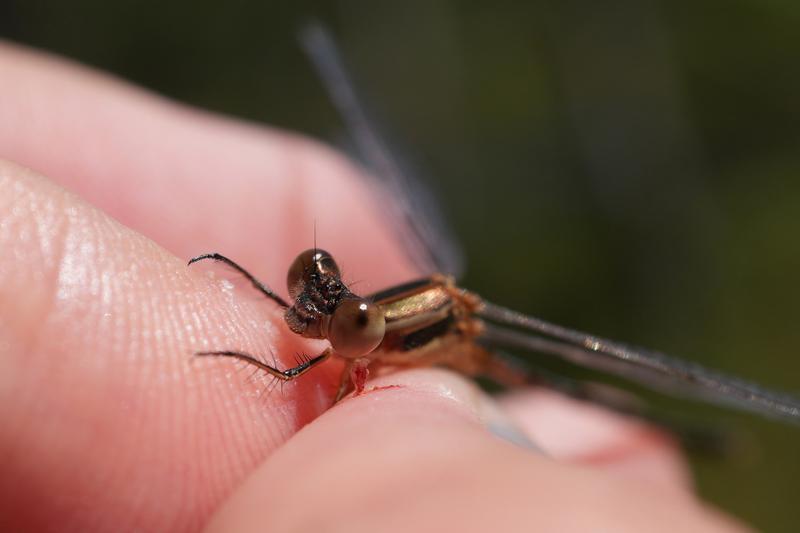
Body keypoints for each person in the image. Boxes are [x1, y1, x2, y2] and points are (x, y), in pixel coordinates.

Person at [0, 41, 747, 532]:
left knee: (607, 404)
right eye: (310, 290)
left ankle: (696, 431)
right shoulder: (352, 322)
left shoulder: (388, 339)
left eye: (342, 318)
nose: (313, 311)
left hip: (493, 373)